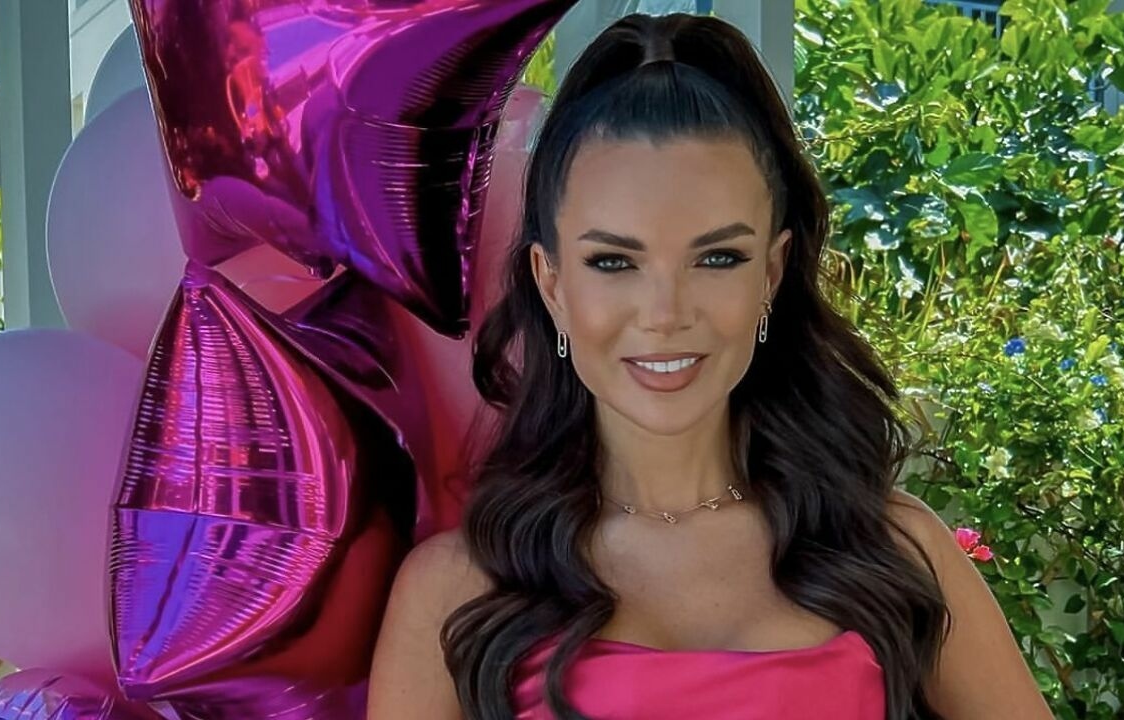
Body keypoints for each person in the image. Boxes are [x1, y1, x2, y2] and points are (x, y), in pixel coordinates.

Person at [367, 12, 1053, 720]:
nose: (665, 313)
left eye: (718, 257)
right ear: (552, 284)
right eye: (614, 262)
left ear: (772, 273)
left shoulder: (894, 550)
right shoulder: (454, 594)